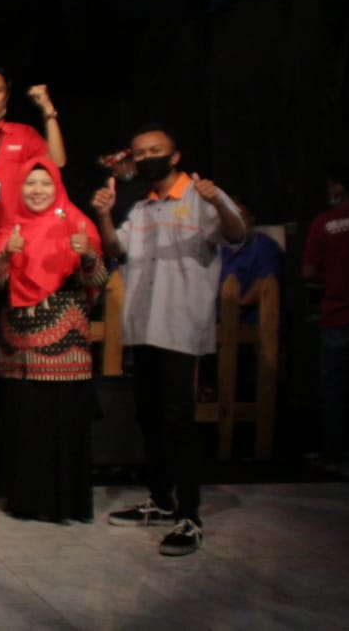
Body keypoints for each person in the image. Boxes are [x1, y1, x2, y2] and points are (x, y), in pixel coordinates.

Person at [91, 123, 244, 556]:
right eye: (139, 153)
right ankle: (160, 500)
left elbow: (236, 234)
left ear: (175, 156)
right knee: (150, 416)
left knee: (178, 420)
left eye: (154, 150)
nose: (146, 158)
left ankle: (189, 515)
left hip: (179, 326)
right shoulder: (142, 209)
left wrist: (219, 201)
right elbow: (116, 250)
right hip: (143, 327)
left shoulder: (201, 196)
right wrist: (104, 215)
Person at [0, 158, 106, 523]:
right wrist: (7, 255)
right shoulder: (8, 227)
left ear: (57, 187)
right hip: (18, 346)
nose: (37, 190)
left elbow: (97, 281)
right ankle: (25, 501)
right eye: (30, 183)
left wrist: (88, 255)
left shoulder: (77, 223)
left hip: (65, 347)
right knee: (24, 423)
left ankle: (64, 503)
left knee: (62, 422)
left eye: (45, 183)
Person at [303, 168, 349, 462]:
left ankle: (332, 452)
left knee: (334, 389)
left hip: (338, 314)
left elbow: (308, 271)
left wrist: (334, 278)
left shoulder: (325, 222)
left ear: (339, 187)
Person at [0, 66, 66, 236]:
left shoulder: (24, 133)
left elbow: (57, 162)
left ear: (6, 96)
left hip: (14, 233)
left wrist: (48, 110)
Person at [219, 198, 284, 324]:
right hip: (217, 323)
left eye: (242, 218)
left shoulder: (264, 245)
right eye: (231, 219)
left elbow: (264, 283)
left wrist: (234, 311)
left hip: (253, 324)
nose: (236, 224)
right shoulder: (220, 249)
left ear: (252, 220)